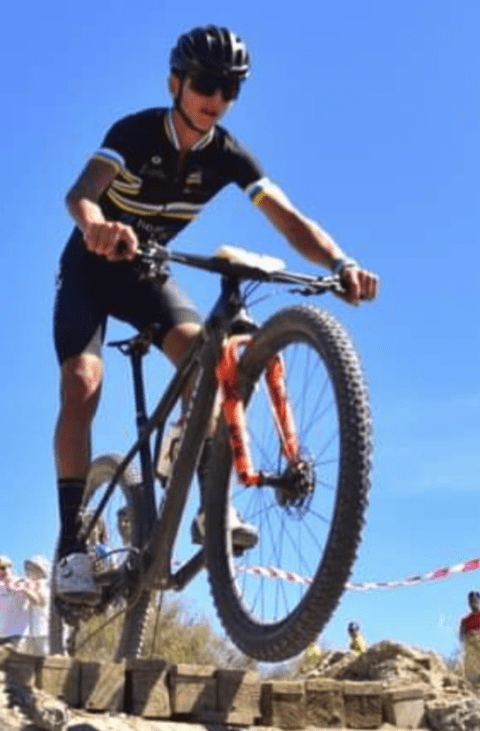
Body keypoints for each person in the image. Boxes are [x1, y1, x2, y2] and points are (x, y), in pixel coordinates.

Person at [54, 24, 379, 599]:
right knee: (83, 384)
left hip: (145, 274)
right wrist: (96, 224)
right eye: (206, 83)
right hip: (91, 269)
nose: (217, 98)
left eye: (230, 88)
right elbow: (80, 193)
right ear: (175, 83)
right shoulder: (134, 132)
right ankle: (72, 544)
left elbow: (288, 219)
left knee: (208, 359)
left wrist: (341, 261)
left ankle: (204, 485)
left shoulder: (227, 154)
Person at [18, 556, 50, 655]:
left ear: (40, 571)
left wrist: (24, 590)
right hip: (34, 633)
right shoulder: (32, 585)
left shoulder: (43, 584)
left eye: (32, 568)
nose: (28, 571)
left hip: (44, 631)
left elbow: (41, 602)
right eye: (28, 568)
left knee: (48, 659)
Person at [0, 556, 29, 648]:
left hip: (18, 635)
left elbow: (39, 602)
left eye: (3, 568)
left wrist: (24, 590)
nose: (1, 572)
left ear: (11, 568)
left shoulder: (22, 582)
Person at [460, 590, 480, 684]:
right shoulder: (465, 620)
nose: (473, 603)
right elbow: (462, 637)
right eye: (471, 601)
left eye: (475, 601)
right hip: (471, 651)